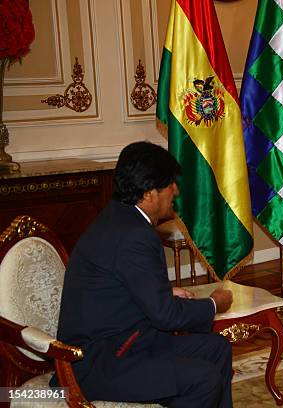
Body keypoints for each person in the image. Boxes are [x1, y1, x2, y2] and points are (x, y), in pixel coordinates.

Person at [52, 141, 234, 407]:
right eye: (170, 184)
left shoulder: (119, 216)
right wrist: (214, 304)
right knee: (202, 379)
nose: (176, 191)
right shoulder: (135, 235)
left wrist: (164, 292)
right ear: (150, 193)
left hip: (126, 339)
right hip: (100, 361)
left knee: (216, 349)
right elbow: (166, 316)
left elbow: (121, 282)